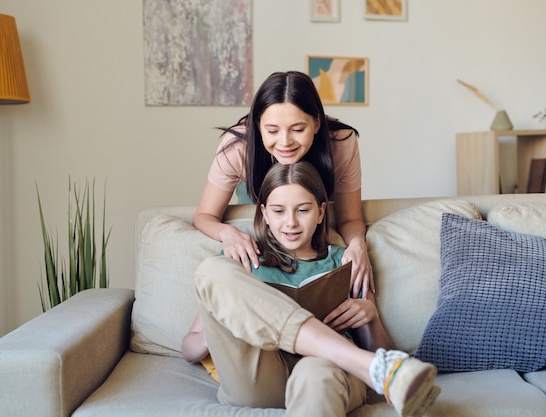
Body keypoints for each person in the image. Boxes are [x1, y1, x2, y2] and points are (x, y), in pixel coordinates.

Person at [183, 161, 440, 417]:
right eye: (279, 211)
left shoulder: (346, 260)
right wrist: (220, 327)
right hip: (260, 377)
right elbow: (188, 349)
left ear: (320, 212)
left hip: (324, 370)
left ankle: (370, 366)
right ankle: (372, 368)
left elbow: (381, 347)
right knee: (211, 269)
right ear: (264, 214)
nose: (291, 222)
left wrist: (370, 316)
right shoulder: (245, 259)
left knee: (316, 373)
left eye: (303, 210)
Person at [194, 70, 371, 298]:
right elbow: (204, 215)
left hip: (311, 233)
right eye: (272, 131)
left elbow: (350, 218)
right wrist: (228, 233)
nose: (285, 142)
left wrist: (358, 245)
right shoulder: (238, 147)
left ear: (317, 123)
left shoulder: (341, 143)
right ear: (258, 125)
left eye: (298, 130)